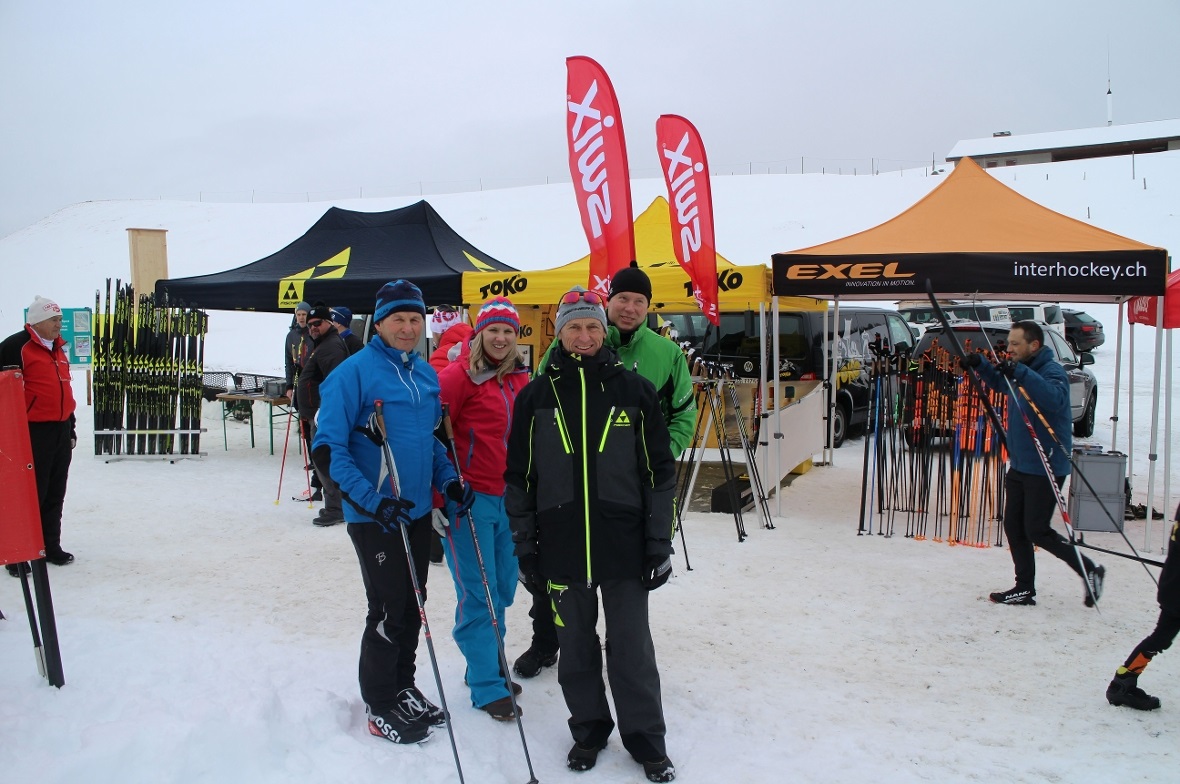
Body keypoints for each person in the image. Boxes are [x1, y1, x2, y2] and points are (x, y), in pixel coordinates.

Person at [505, 286, 678, 782]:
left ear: (606, 332)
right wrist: (526, 548)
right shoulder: (537, 396)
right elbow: (519, 478)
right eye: (574, 327)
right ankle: (589, 730)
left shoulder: (635, 391)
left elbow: (658, 475)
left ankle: (646, 739)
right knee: (575, 650)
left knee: (630, 648)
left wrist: (657, 543)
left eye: (592, 327)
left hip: (623, 546)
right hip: (560, 548)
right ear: (559, 332)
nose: (583, 336)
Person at [515, 263, 696, 679]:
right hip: (568, 490)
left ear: (648, 307)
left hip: (626, 492)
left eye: (639, 301)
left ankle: (624, 657)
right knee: (557, 574)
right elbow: (544, 410)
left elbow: (684, 415)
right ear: (608, 301)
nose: (629, 308)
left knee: (624, 581)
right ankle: (545, 643)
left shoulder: (666, 353)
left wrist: (652, 460)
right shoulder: (578, 334)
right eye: (622, 299)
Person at [313, 279, 474, 745]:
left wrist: (448, 480)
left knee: (413, 604)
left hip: (415, 510)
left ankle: (403, 684)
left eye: (415, 318)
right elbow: (329, 448)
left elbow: (432, 443)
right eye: (398, 319)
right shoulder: (353, 373)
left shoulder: (424, 374)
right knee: (386, 609)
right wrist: (369, 499)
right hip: (377, 515)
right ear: (378, 323)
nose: (407, 327)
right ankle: (380, 701)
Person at [961, 320, 1104, 606]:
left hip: (1046, 464)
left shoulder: (1052, 372)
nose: (1010, 349)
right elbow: (1003, 384)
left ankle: (1089, 569)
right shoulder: (1020, 369)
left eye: (1015, 344)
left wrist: (1021, 372)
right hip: (1021, 463)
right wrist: (981, 365)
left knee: (1037, 530)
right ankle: (1024, 587)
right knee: (1014, 526)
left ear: (1034, 345)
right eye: (1009, 344)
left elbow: (1054, 400)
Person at [436, 296, 530, 720]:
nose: (501, 337)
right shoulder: (458, 377)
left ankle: (489, 664)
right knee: (480, 593)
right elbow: (434, 441)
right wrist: (441, 497)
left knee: (504, 588)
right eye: (494, 329)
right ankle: (487, 684)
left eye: (508, 331)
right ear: (480, 333)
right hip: (469, 501)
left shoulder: (518, 381)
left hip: (508, 500)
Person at [2, 295, 78, 575]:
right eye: (55, 319)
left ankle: (49, 546)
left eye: (60, 319)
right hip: (30, 431)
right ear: (38, 321)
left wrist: (70, 426)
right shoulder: (14, 347)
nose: (60, 324)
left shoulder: (58, 348)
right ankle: (18, 555)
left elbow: (63, 391)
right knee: (29, 493)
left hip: (58, 429)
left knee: (55, 491)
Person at [1106, 505, 1179, 711]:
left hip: (1173, 585)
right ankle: (1122, 684)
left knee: (1161, 637)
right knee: (1161, 638)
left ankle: (1123, 681)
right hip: (1176, 588)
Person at [298, 303, 350, 526]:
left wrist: (324, 411)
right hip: (316, 412)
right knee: (321, 460)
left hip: (324, 415)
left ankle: (336, 507)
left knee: (325, 460)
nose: (312, 327)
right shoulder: (322, 345)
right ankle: (335, 505)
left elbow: (336, 383)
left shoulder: (330, 347)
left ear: (329, 322)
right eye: (309, 325)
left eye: (317, 323)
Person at [283, 301, 310, 402]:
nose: (301, 318)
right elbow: (288, 362)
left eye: (304, 314)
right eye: (298, 315)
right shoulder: (291, 336)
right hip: (297, 381)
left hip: (312, 382)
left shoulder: (313, 333)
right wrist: (289, 386)